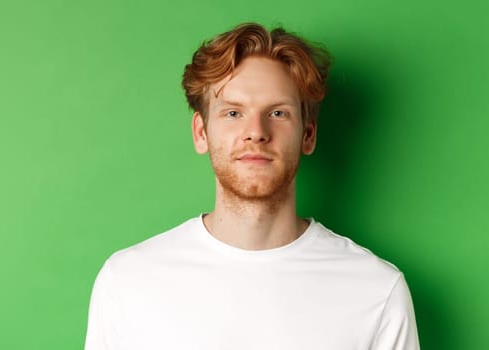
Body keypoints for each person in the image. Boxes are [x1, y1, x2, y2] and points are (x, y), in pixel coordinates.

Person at [83, 22, 420, 350]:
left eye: (277, 113)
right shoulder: (128, 281)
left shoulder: (375, 291)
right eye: (233, 113)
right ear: (201, 132)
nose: (256, 131)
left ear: (308, 134)